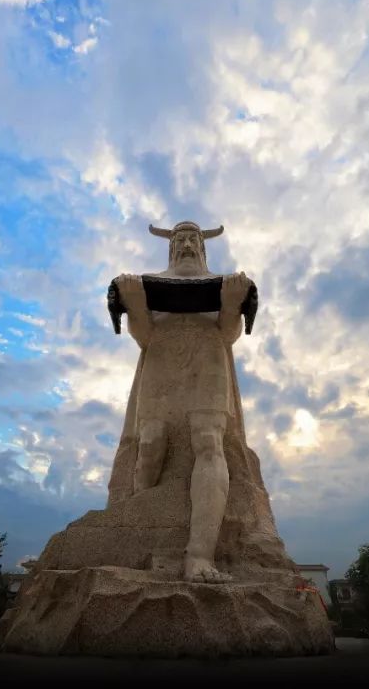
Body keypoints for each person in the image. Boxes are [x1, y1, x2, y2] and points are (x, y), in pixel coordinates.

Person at [113, 221, 252, 583]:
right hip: (161, 364)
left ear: (203, 248)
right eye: (180, 238)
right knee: (151, 444)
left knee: (209, 440)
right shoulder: (151, 280)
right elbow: (144, 336)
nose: (187, 243)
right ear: (170, 246)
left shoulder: (222, 283)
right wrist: (134, 302)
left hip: (207, 363)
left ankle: (200, 556)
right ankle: (135, 538)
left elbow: (227, 334)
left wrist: (233, 303)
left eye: (193, 239)